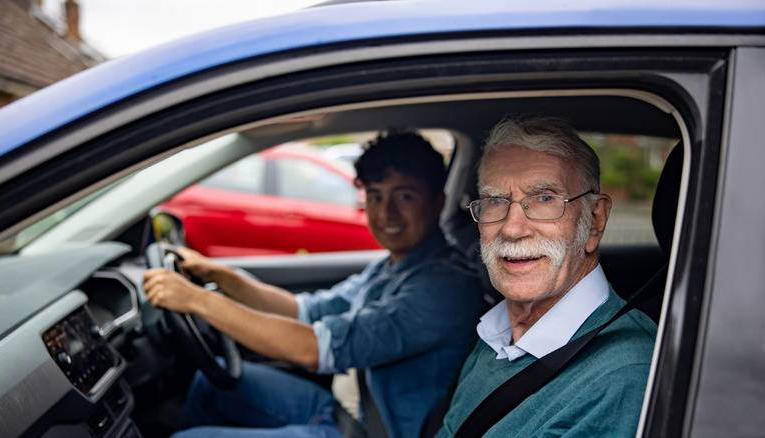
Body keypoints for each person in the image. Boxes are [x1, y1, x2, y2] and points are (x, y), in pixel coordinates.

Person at [143, 131, 488, 438]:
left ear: (438, 202)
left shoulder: (443, 287)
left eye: (404, 197)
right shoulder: (396, 265)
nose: (386, 213)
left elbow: (314, 349)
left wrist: (198, 301)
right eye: (375, 196)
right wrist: (219, 275)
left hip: (369, 430)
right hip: (342, 408)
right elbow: (307, 310)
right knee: (209, 383)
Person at [436, 116, 658, 436]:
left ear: (594, 221)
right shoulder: (494, 335)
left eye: (544, 199)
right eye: (495, 201)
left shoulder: (623, 377)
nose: (512, 229)